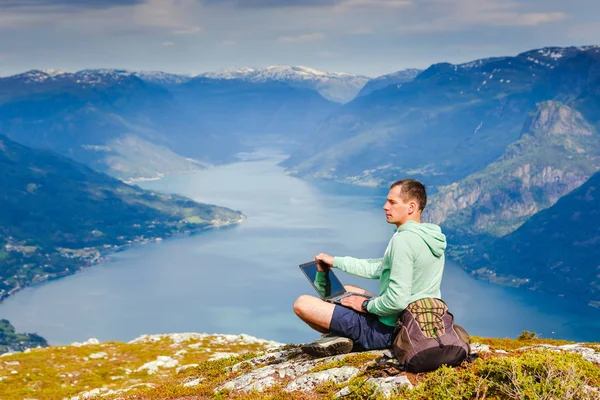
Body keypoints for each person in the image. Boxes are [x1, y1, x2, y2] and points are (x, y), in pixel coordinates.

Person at [293, 179, 447, 357]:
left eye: (392, 202)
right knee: (349, 290)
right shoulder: (428, 236)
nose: (385, 207)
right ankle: (342, 334)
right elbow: (380, 267)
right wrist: (335, 261)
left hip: (391, 331)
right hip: (416, 320)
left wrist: (365, 305)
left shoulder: (403, 240)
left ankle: (346, 338)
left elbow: (397, 301)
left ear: (411, 207)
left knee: (302, 303)